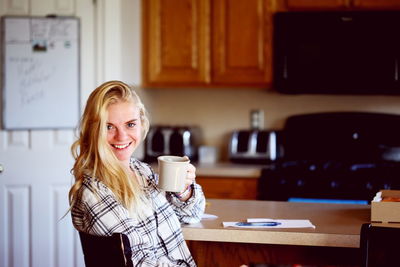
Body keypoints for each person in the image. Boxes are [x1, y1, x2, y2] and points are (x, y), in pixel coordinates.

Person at [68, 80, 206, 266]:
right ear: (93, 130)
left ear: (142, 124)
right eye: (108, 127)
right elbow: (139, 262)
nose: (122, 136)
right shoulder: (95, 193)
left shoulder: (141, 171)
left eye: (130, 124)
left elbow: (191, 215)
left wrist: (184, 190)